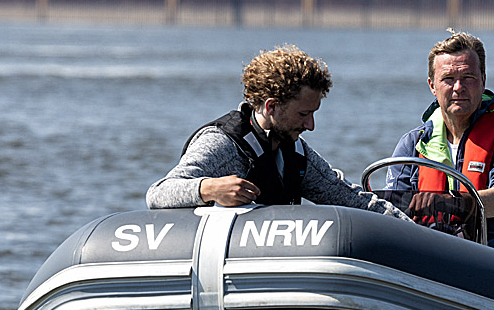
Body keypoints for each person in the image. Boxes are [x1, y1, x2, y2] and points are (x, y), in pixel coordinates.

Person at [146, 44, 411, 222]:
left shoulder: (296, 153)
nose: (311, 125)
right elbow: (158, 193)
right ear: (272, 106)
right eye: (303, 114)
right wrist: (210, 188)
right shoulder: (223, 145)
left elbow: (349, 198)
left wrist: (413, 231)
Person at [386, 30, 494, 259]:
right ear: (432, 86)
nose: (458, 87)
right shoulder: (412, 144)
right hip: (430, 259)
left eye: (468, 77)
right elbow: (392, 209)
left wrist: (451, 203)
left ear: (483, 80)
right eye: (448, 79)